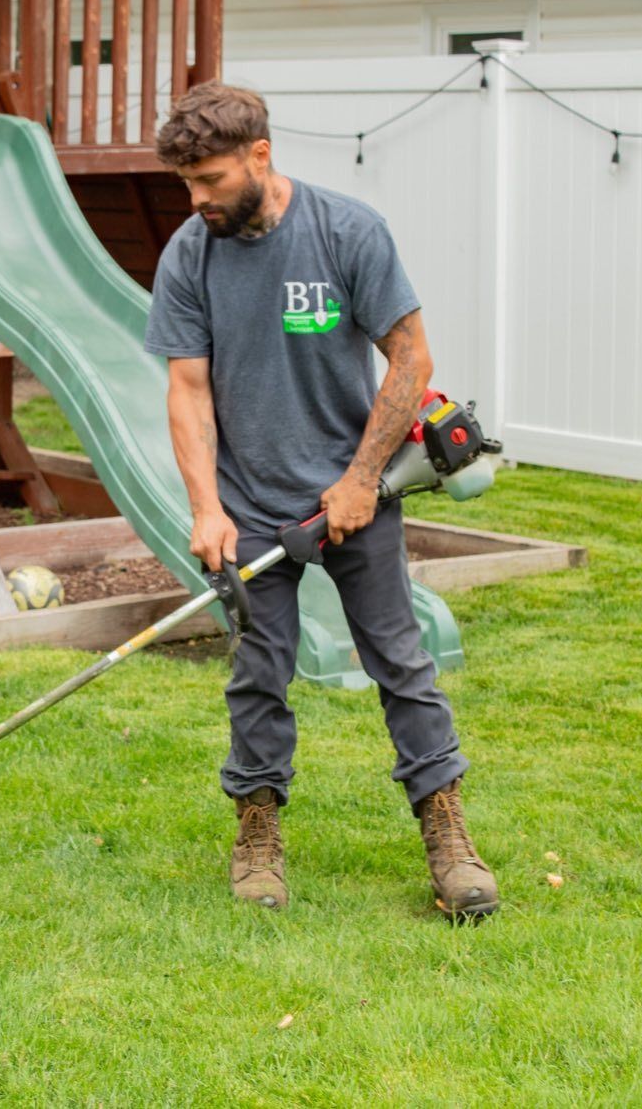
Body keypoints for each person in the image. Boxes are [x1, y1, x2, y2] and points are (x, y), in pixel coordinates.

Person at [144, 81, 499, 920]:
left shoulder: (347, 232)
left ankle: (447, 836)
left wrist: (361, 480)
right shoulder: (189, 256)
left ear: (260, 157)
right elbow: (187, 392)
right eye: (186, 185)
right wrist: (206, 508)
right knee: (260, 675)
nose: (196, 202)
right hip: (250, 506)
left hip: (355, 499)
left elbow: (410, 361)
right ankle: (258, 836)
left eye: (211, 181)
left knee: (401, 666)